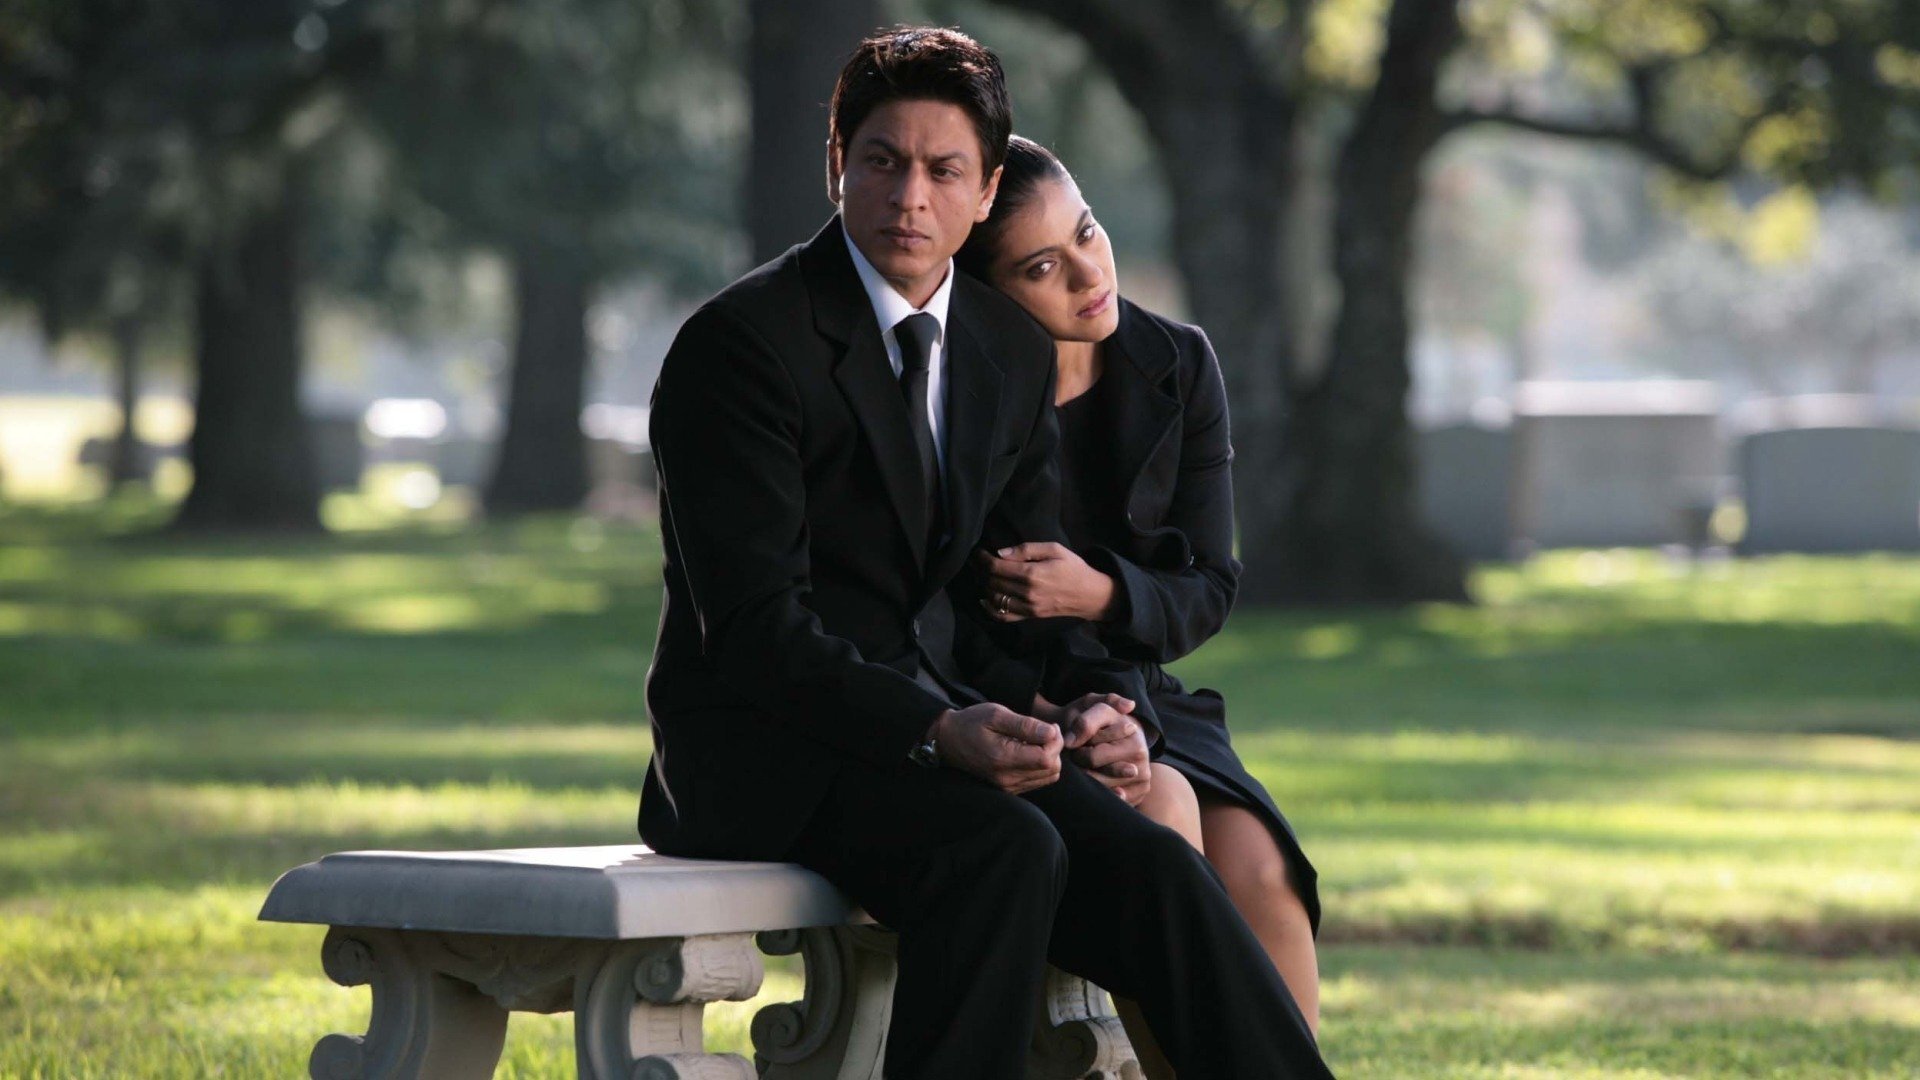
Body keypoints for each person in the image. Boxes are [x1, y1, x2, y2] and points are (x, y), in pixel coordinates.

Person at [642, 26, 1334, 1080]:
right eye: (882, 162)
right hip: (764, 747)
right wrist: (936, 730)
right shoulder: (741, 347)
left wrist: (1086, 710)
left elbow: (997, 603)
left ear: (985, 189)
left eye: (943, 170)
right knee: (1006, 849)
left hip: (942, 733)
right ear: (836, 166)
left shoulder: (1003, 347)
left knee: (1154, 869)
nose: (909, 197)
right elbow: (754, 633)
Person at [957, 136, 1326, 1048]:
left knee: (1265, 874)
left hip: (1154, 697)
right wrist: (1066, 713)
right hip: (1019, 708)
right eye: (1043, 267)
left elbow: (1209, 584)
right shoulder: (961, 398)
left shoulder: (1177, 362)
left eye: (1088, 233)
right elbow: (943, 622)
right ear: (989, 294)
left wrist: (1098, 593)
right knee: (1163, 819)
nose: (1090, 274)